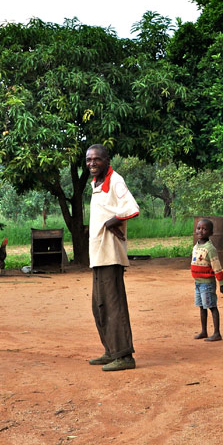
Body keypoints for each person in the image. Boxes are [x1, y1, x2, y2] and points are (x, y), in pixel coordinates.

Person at [85, 144, 140, 371]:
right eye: (89, 160)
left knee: (113, 305)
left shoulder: (115, 180)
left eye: (97, 159)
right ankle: (111, 350)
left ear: (107, 159)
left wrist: (111, 223)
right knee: (99, 306)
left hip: (111, 255)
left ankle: (124, 356)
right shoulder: (97, 184)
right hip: (99, 255)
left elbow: (132, 208)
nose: (92, 163)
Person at [191, 218, 223, 341]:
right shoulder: (196, 246)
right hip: (198, 283)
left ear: (211, 233)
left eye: (204, 229)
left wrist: (222, 283)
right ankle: (204, 331)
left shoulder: (210, 249)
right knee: (202, 307)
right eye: (198, 228)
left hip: (207, 284)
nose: (200, 231)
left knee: (212, 306)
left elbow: (217, 266)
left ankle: (217, 333)